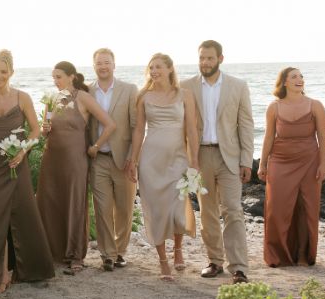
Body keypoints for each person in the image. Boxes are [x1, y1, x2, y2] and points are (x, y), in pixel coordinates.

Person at [0, 49, 55, 293]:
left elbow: (35, 130)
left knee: (21, 215)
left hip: (16, 164)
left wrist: (22, 152)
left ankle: (27, 269)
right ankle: (0, 274)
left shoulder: (22, 98)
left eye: (3, 72)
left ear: (11, 73)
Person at [181, 41, 255, 283]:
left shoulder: (238, 86)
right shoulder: (186, 86)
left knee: (233, 210)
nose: (205, 62)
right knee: (208, 211)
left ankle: (239, 267)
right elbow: (181, 126)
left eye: (210, 58)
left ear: (220, 59)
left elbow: (245, 125)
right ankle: (214, 261)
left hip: (229, 157)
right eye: (201, 58)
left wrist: (246, 161)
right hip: (200, 156)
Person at [37, 61, 115, 274]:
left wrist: (96, 147)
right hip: (51, 157)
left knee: (74, 203)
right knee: (49, 202)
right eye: (53, 77)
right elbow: (45, 130)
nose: (55, 81)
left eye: (59, 77)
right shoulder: (51, 98)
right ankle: (51, 253)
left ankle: (75, 257)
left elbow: (110, 124)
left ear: (71, 76)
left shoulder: (83, 97)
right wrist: (44, 129)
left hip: (74, 160)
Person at [128, 55, 200, 282]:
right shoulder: (143, 96)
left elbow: (191, 130)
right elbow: (139, 130)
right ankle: (162, 261)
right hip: (151, 160)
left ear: (170, 69)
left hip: (177, 158)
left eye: (158, 67)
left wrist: (194, 160)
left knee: (177, 209)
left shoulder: (185, 95)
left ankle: (178, 249)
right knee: (155, 210)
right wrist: (133, 160)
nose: (154, 71)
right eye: (151, 67)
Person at [259, 69, 325, 267]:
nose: (300, 80)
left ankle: (303, 255)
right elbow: (269, 137)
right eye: (294, 77)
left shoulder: (316, 105)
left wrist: (323, 163)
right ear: (284, 83)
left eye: (301, 76)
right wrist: (263, 163)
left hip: (309, 160)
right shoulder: (274, 107)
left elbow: (322, 137)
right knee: (276, 208)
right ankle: (278, 255)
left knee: (307, 208)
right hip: (280, 160)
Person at [88, 48, 138, 271]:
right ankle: (107, 254)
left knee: (125, 208)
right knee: (102, 208)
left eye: (107, 62)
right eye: (99, 63)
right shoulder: (86, 91)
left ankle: (120, 251)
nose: (103, 66)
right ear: (94, 66)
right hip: (98, 158)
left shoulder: (129, 90)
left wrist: (133, 158)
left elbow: (137, 126)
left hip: (124, 159)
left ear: (114, 65)